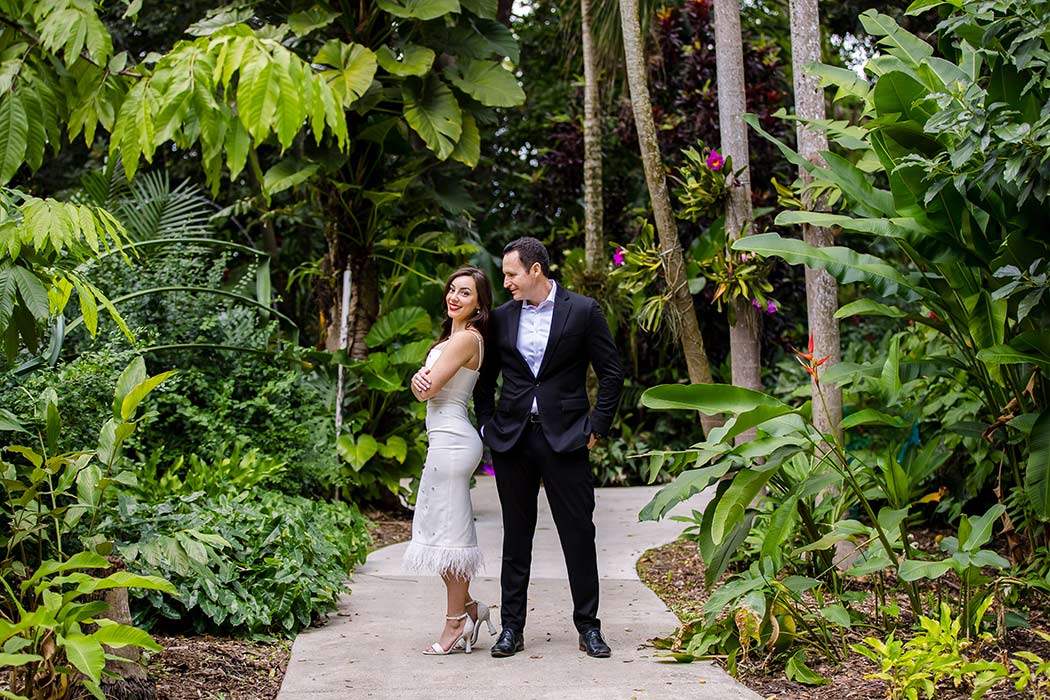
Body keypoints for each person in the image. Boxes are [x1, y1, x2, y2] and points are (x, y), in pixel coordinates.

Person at [473, 237, 624, 659]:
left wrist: (596, 427)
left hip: (567, 438)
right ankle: (511, 629)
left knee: (578, 534)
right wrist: (487, 426)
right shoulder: (501, 318)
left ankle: (589, 628)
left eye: (511, 274)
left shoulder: (583, 310)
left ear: (535, 270)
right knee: (515, 538)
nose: (505, 283)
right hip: (513, 440)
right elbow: (485, 381)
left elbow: (611, 374)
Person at [403, 267, 498, 655]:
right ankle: (472, 608)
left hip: (453, 442)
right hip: (443, 440)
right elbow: (421, 385)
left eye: (466, 293)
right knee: (441, 535)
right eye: (452, 290)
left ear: (479, 305)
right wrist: (418, 380)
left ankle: (455, 623)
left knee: (452, 536)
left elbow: (427, 389)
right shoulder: (453, 338)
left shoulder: (467, 339)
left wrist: (420, 380)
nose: (455, 298)